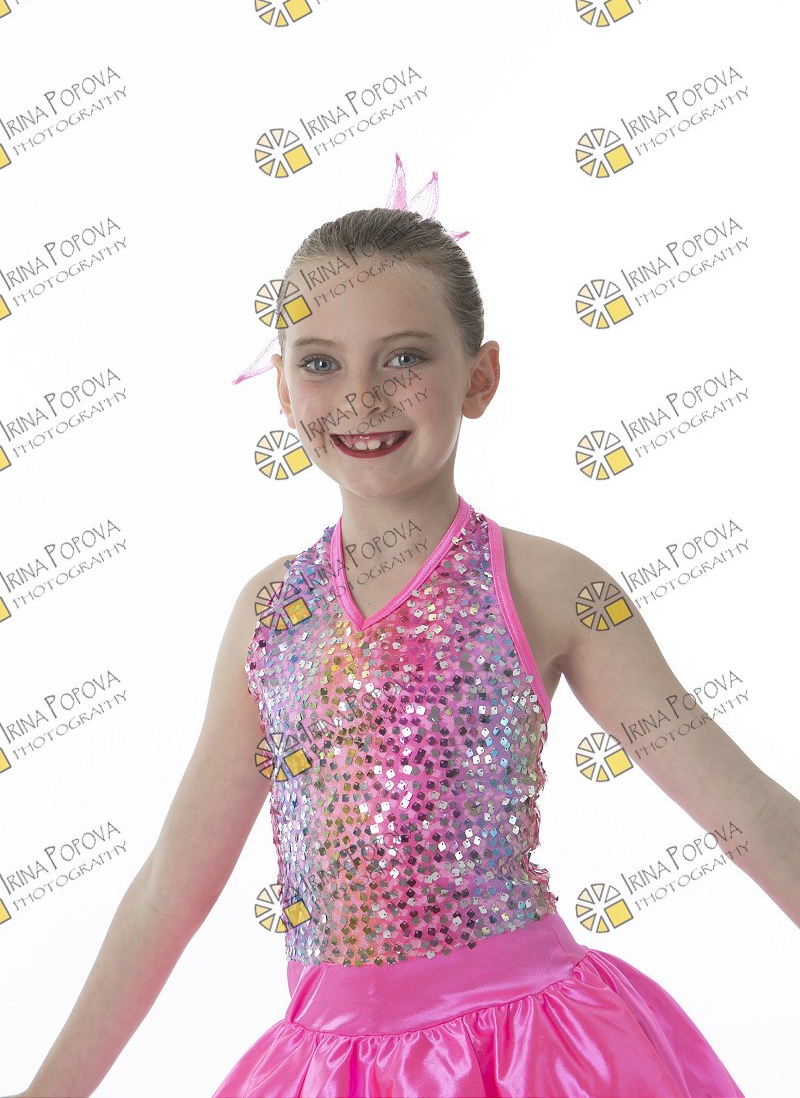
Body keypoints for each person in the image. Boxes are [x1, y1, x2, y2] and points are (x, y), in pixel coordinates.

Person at [12, 186, 799, 1098]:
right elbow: (170, 890)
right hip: (330, 1062)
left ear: (480, 377)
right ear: (283, 388)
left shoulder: (549, 588)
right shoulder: (273, 614)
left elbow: (748, 814)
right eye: (321, 362)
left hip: (533, 1052)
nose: (361, 395)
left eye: (406, 357)